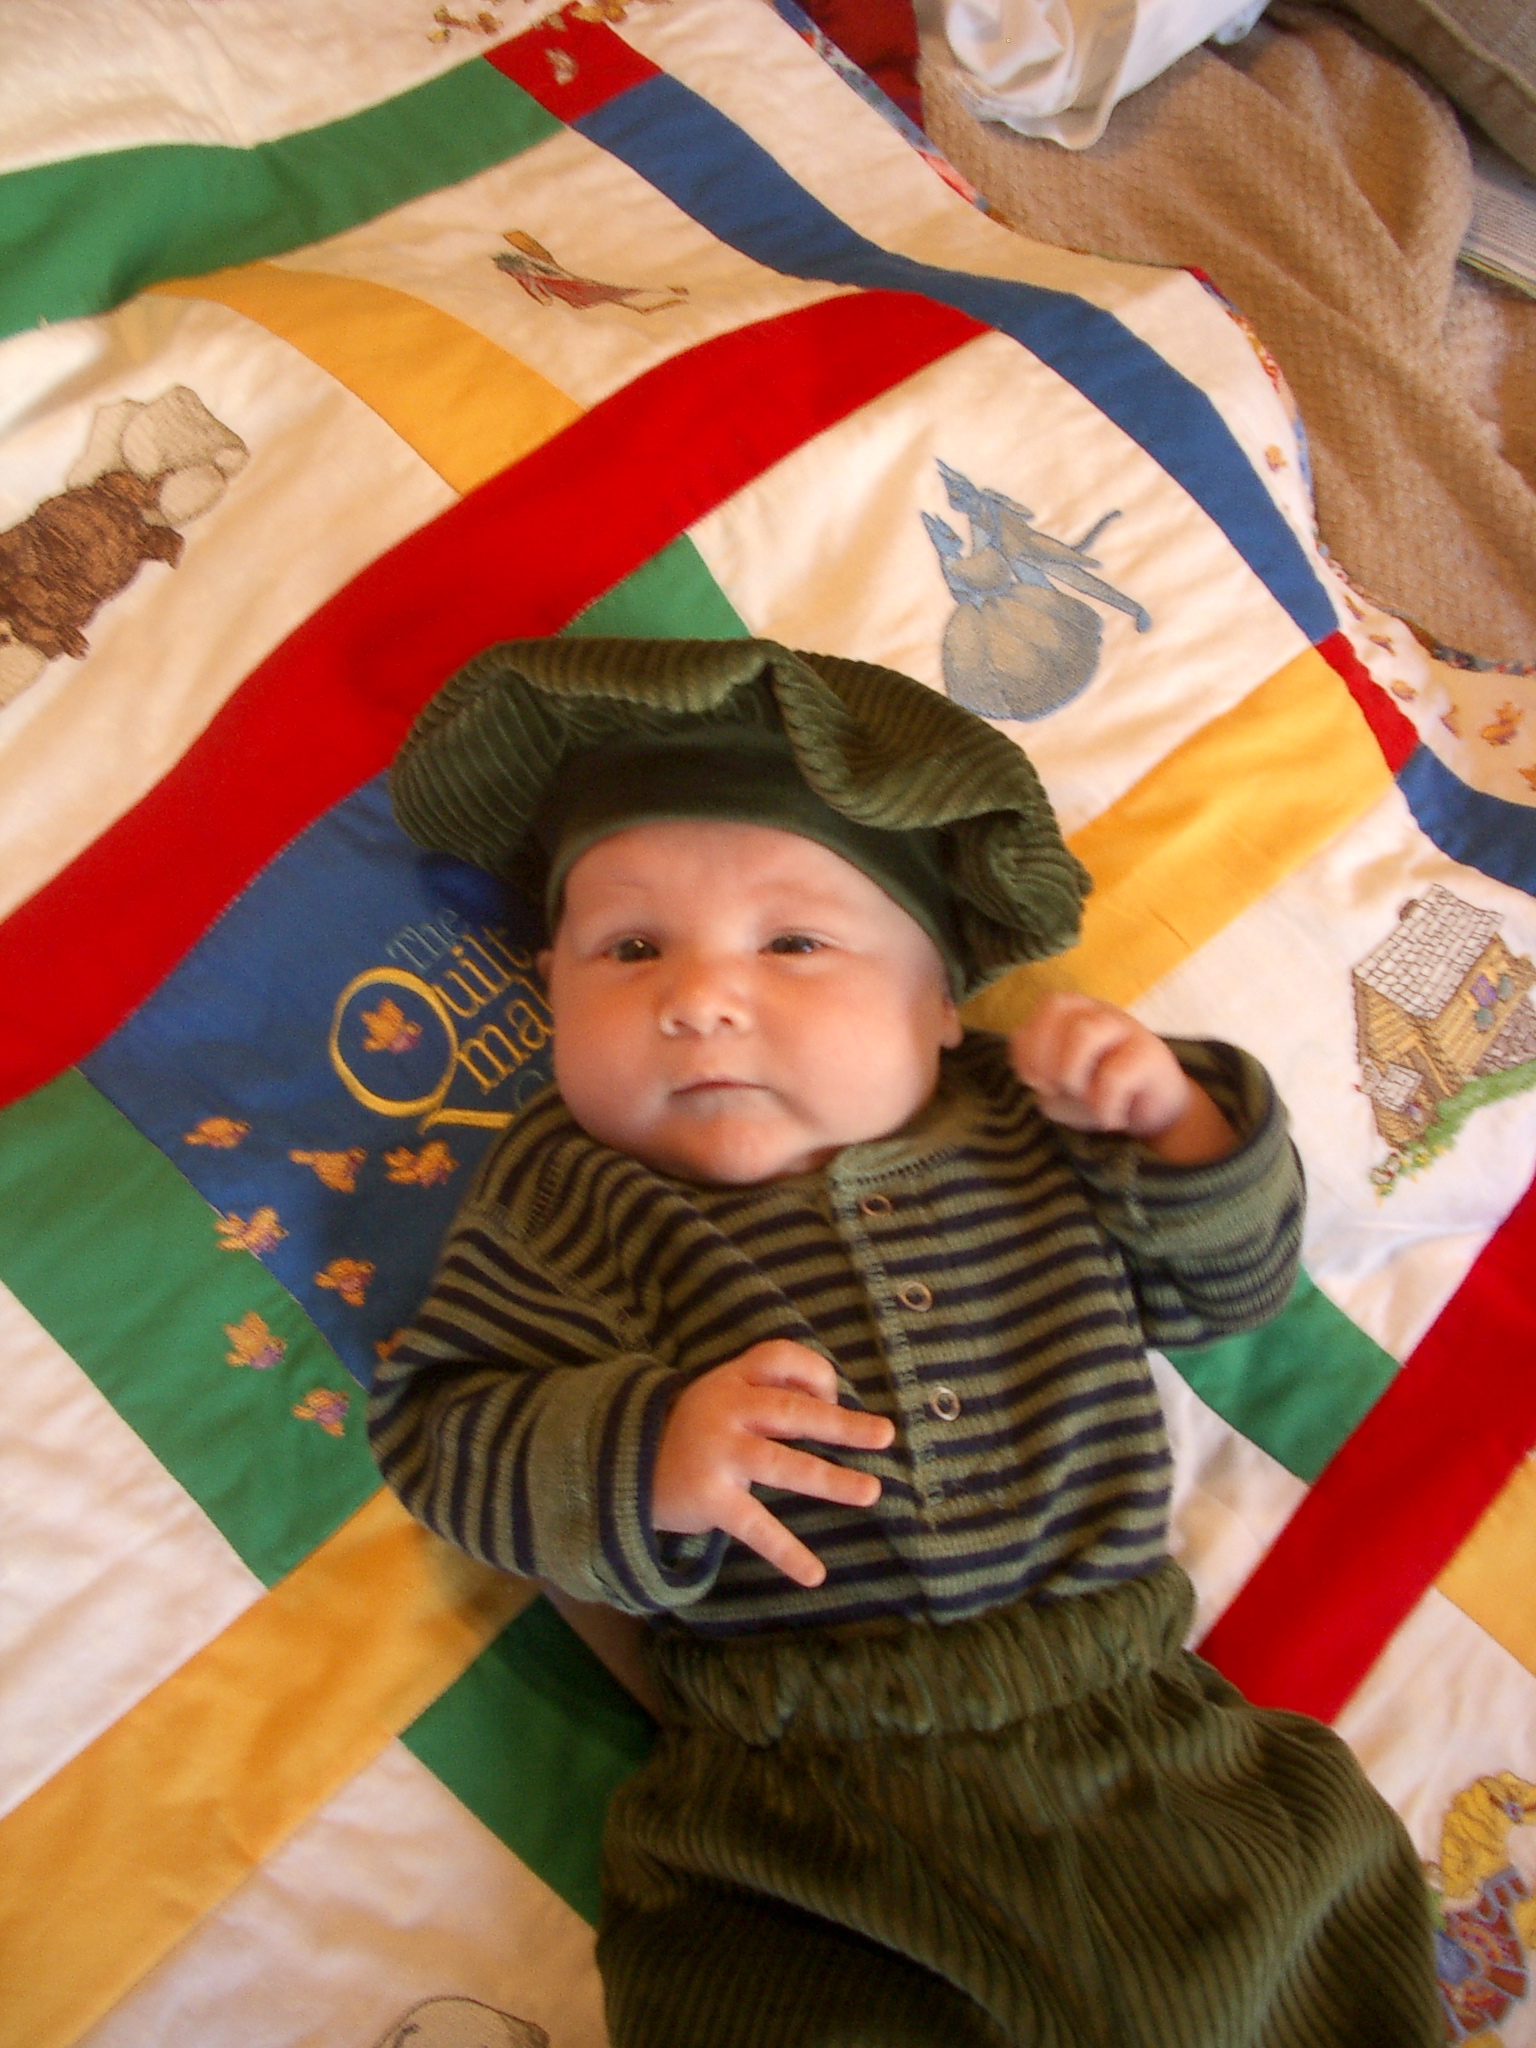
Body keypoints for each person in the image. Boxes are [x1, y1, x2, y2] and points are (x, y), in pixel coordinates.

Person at [369, 637, 1441, 2048]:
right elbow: (439, 1427)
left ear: (941, 1003)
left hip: (1150, 1751)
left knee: (1296, 1968)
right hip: (789, 1831)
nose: (698, 997)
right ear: (550, 989)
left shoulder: (1027, 1123)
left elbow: (1229, 1290)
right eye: (629, 949)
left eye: (792, 943)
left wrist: (1180, 1125)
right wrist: (648, 1456)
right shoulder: (563, 1198)